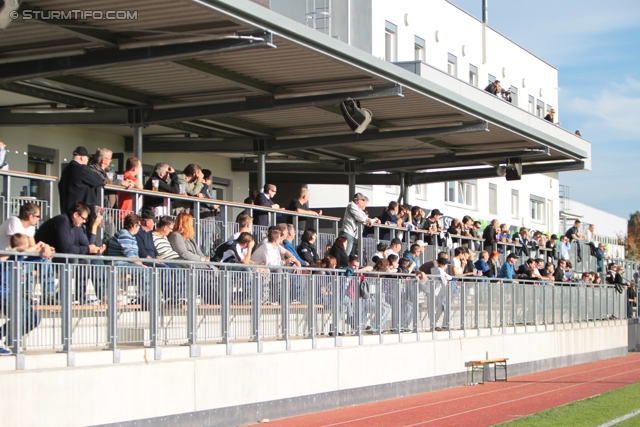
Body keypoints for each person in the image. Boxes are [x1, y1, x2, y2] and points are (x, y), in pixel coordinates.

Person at [0, 234, 43, 355]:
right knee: (20, 316)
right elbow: (17, 254)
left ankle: (10, 339)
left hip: (15, 294)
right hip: (4, 292)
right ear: (23, 246)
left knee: (35, 318)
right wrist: (35, 246)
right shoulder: (13, 256)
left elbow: (38, 257)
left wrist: (45, 251)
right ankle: (10, 340)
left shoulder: (22, 258)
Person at [57, 146, 106, 214]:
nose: (88, 160)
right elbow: (98, 180)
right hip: (80, 212)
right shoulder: (81, 169)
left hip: (66, 211)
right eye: (87, 158)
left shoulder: (65, 170)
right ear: (82, 158)